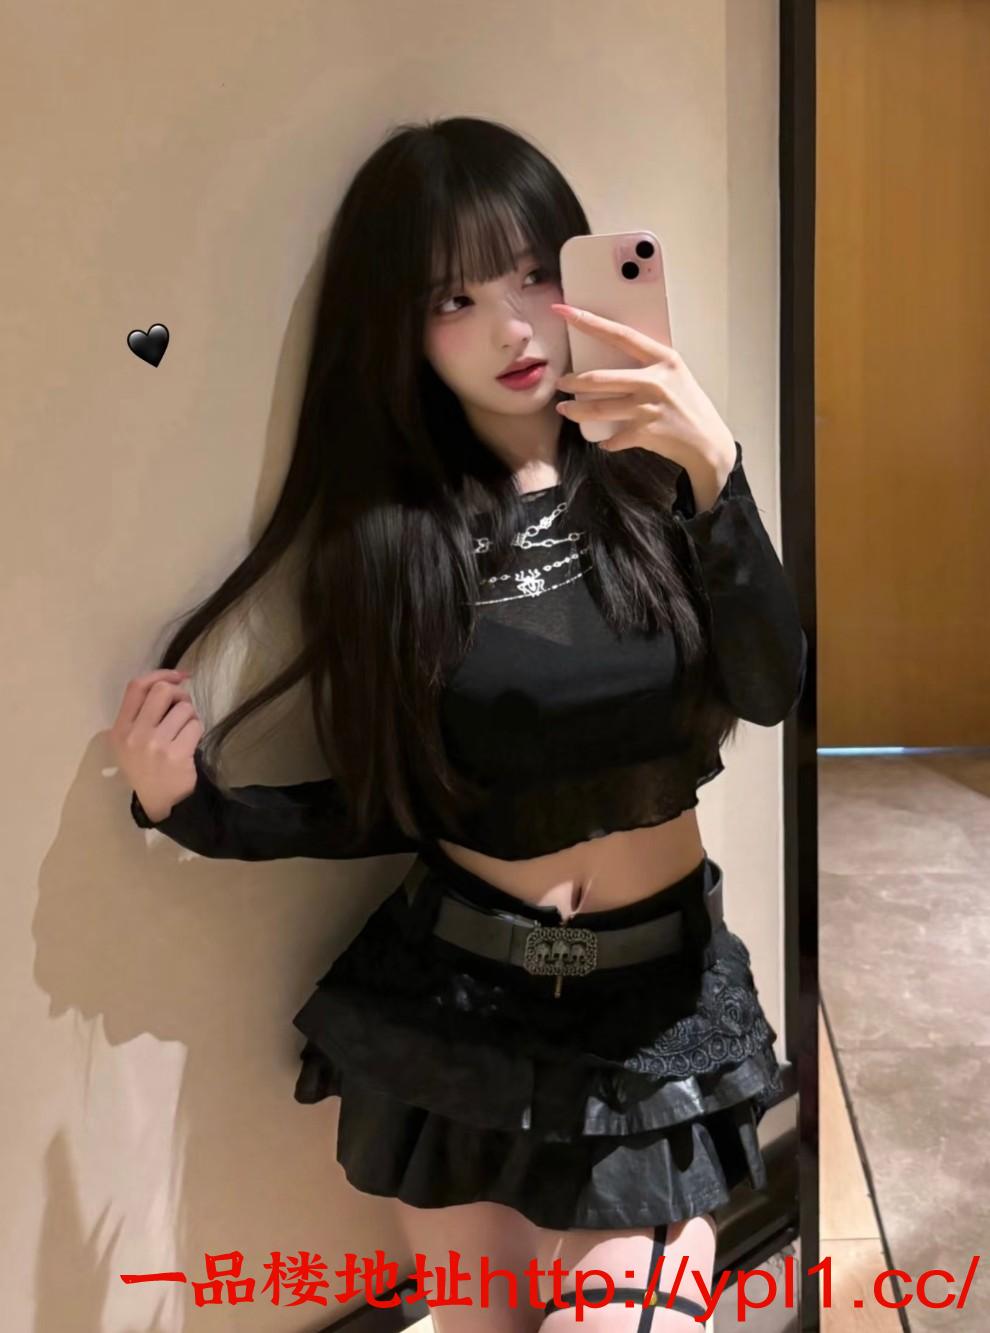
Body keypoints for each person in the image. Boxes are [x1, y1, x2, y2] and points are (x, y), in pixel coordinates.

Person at [111, 116, 807, 1330]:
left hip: (654, 1012)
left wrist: (715, 466)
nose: (513, 328)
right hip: (456, 1012)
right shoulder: (391, 545)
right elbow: (397, 795)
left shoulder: (654, 480)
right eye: (456, 298)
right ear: (403, 326)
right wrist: (198, 812)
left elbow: (770, 685)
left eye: (534, 274)